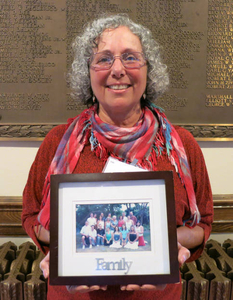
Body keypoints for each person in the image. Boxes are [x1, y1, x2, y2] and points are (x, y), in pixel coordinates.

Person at [22, 13, 213, 300]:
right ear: (87, 71)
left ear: (149, 70)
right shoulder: (57, 142)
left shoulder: (180, 146)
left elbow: (203, 224)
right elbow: (31, 216)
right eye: (104, 59)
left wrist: (159, 243)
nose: (118, 69)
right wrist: (71, 245)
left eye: (131, 57)